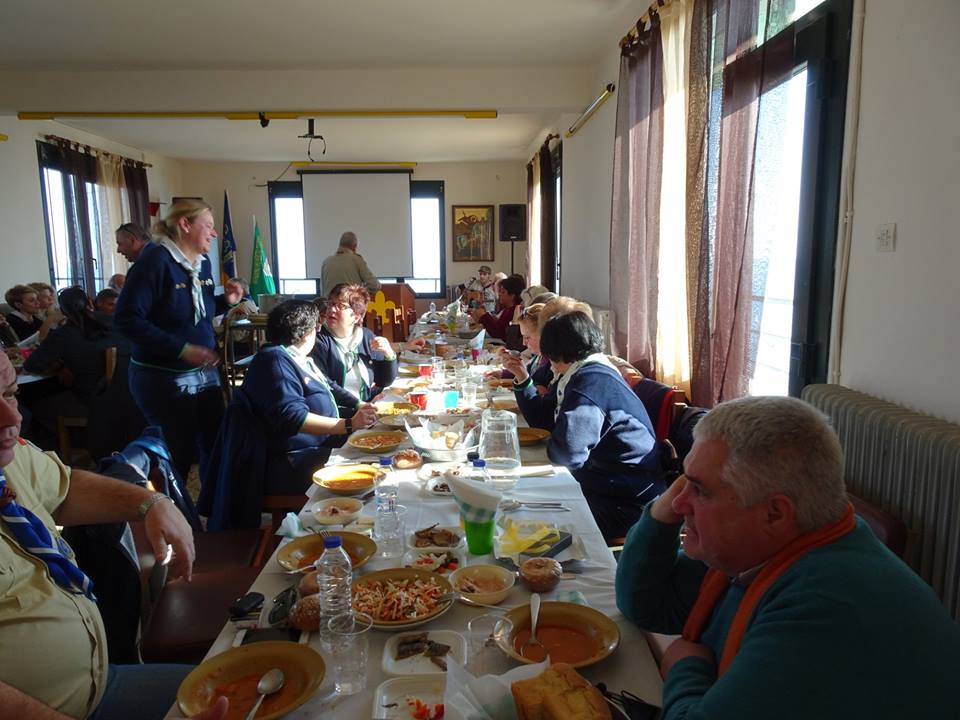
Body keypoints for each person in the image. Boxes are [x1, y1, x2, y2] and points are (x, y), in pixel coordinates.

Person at [615, 396, 960, 719]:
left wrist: (684, 669)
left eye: (699, 489)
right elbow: (645, 605)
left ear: (775, 514)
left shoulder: (824, 606)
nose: (679, 503)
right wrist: (660, 517)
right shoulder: (763, 551)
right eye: (683, 483)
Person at [0, 350, 202, 720]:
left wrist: (151, 502)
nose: (13, 418)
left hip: (99, 686)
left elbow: (66, 488)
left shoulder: (10, 461)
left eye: (10, 394)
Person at [205, 301, 379, 520]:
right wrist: (349, 424)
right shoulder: (274, 360)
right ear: (306, 333)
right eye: (317, 327)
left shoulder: (295, 357)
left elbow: (329, 385)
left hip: (312, 450)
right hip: (288, 462)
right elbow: (292, 416)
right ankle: (341, 523)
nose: (318, 332)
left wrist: (359, 405)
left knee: (371, 457)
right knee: (365, 471)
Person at [113, 200, 224, 483]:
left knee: (216, 444)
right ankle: (171, 507)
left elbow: (195, 313)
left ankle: (215, 507)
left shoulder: (203, 263)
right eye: (208, 226)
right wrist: (182, 349)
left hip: (204, 374)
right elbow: (126, 319)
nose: (214, 234)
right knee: (178, 452)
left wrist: (227, 300)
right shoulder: (154, 262)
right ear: (185, 225)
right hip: (163, 377)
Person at [536, 311, 662, 541]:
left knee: (534, 515)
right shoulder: (597, 371)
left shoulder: (589, 383)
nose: (551, 366)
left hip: (627, 505)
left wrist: (554, 438)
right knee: (534, 496)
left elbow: (567, 454)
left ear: (558, 353)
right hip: (617, 485)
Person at [23, 287, 119, 430]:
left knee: (37, 407)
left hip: (89, 400)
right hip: (123, 396)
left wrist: (60, 367)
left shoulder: (63, 334)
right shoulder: (115, 323)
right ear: (90, 303)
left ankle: (72, 439)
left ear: (62, 311)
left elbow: (31, 365)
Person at [310, 284, 398, 412]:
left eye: (341, 306)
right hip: (337, 414)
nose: (332, 309)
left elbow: (383, 381)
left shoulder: (366, 336)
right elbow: (324, 383)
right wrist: (359, 405)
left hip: (364, 408)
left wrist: (389, 354)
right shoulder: (318, 340)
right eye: (331, 304)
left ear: (356, 317)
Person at [500, 302, 551, 389]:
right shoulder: (538, 357)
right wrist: (503, 373)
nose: (524, 343)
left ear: (544, 336)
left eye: (528, 337)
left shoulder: (551, 365)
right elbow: (526, 370)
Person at [320, 231, 381, 296]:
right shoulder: (356, 260)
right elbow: (374, 285)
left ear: (340, 244)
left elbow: (322, 292)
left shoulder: (326, 262)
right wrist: (359, 295)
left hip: (330, 302)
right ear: (354, 247)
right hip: (351, 302)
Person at [469, 273, 524, 341]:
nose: (499, 294)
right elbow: (499, 324)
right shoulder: (507, 309)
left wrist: (484, 316)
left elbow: (499, 333)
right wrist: (486, 315)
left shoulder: (515, 311)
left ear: (512, 296)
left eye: (502, 292)